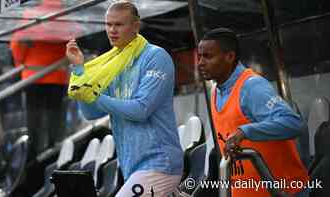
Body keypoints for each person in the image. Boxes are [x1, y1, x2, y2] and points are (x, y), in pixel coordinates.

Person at [66, 1, 183, 197]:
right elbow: (91, 112)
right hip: (131, 167)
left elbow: (140, 110)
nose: (112, 30)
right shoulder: (112, 63)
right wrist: (80, 72)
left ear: (136, 26)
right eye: (109, 24)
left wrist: (92, 94)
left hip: (159, 164)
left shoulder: (155, 57)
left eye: (119, 25)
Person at [197, 28, 309, 196]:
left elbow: (293, 123)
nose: (200, 63)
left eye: (208, 56)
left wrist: (245, 131)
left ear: (230, 56)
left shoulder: (251, 86)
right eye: (200, 57)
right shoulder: (215, 91)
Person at [10, 0, 69, 159]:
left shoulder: (30, 15)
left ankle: (33, 156)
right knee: (55, 120)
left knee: (34, 121)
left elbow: (17, 44)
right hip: (58, 77)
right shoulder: (66, 16)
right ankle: (53, 154)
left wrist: (20, 62)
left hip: (32, 77)